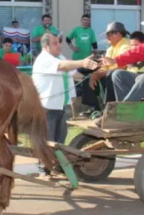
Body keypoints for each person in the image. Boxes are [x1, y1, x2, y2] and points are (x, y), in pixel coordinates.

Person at [32, 33, 98, 178]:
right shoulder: (44, 59)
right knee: (47, 140)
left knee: (59, 140)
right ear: (45, 46)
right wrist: (82, 62)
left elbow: (75, 74)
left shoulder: (59, 57)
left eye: (59, 42)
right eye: (55, 43)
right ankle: (44, 169)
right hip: (46, 107)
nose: (59, 45)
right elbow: (63, 66)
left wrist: (94, 74)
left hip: (62, 105)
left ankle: (55, 166)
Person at [79, 22, 130, 118]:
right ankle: (95, 108)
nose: (107, 37)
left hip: (122, 79)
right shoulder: (111, 48)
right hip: (109, 76)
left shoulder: (126, 45)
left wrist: (100, 74)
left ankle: (108, 110)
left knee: (111, 75)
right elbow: (104, 67)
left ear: (118, 34)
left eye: (109, 34)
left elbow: (122, 67)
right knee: (88, 78)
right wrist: (95, 75)